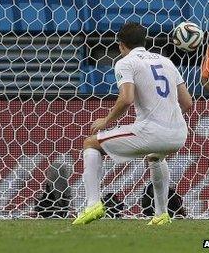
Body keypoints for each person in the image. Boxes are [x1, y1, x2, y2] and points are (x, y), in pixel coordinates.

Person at [73, 22, 193, 226]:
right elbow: (188, 102)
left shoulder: (125, 62)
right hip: (179, 134)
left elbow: (126, 99)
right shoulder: (166, 61)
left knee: (91, 144)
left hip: (152, 132)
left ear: (121, 45)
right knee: (155, 157)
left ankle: (93, 204)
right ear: (144, 42)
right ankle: (162, 214)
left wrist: (106, 121)